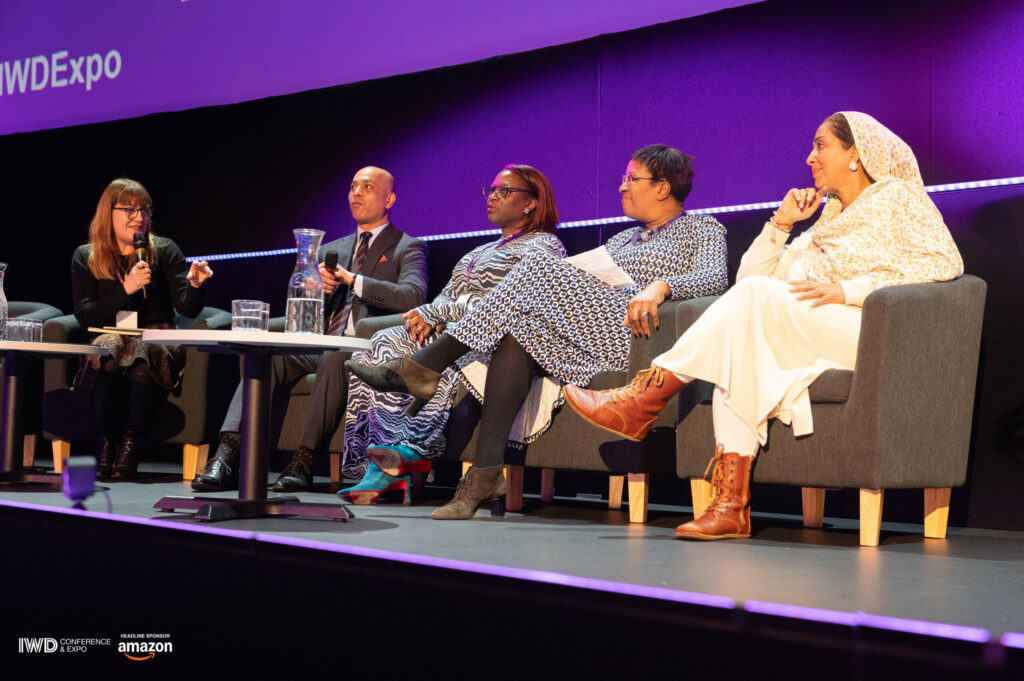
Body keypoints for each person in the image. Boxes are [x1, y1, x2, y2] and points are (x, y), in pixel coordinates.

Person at [564, 112, 964, 540]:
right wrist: (782, 222)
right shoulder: (825, 221)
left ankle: (645, 397)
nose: (810, 157)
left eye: (821, 145)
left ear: (855, 152)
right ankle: (731, 506)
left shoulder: (896, 198)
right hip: (812, 329)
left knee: (754, 303)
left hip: (871, 334)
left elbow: (943, 262)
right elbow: (747, 281)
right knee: (738, 354)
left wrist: (848, 290)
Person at [348, 145, 729, 517]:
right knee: (517, 328)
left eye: (632, 179)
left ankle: (423, 366)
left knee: (533, 268)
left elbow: (716, 277)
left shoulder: (701, 228)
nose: (621, 186)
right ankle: (484, 473)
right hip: (588, 330)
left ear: (663, 187)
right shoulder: (618, 240)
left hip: (638, 336)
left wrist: (660, 286)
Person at [191, 166, 428, 492]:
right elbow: (305, 308)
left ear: (389, 199)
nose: (356, 193)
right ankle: (229, 453)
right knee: (266, 355)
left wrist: (353, 281)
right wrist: (319, 291)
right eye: (353, 186)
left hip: (362, 350)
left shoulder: (407, 247)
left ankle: (303, 461)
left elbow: (413, 297)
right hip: (320, 343)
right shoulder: (336, 247)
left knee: (336, 354)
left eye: (367, 187)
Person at [339, 164, 565, 503]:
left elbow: (507, 303)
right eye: (490, 191)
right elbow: (446, 298)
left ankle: (409, 450)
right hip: (458, 330)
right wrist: (432, 317)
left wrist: (441, 313)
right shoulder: (478, 252)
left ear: (531, 202)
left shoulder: (544, 247)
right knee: (383, 341)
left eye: (503, 192)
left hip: (499, 342)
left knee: (433, 349)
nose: (492, 198)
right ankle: (375, 459)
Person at [72, 178, 214, 479]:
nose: (139, 218)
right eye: (129, 210)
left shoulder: (164, 250)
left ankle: (131, 445)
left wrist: (196, 284)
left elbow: (186, 308)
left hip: (156, 340)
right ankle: (105, 445)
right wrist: (128, 288)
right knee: (107, 345)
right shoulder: (86, 256)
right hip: (109, 337)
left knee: (142, 345)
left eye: (144, 210)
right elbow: (85, 315)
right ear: (107, 213)